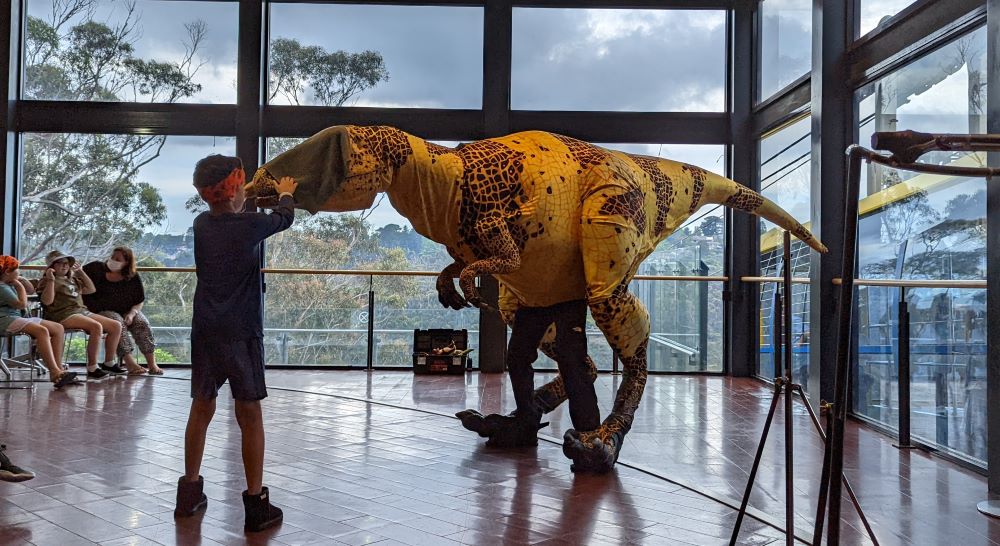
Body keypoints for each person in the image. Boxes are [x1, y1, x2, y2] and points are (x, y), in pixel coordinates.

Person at [175, 154, 296, 533]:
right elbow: (285, 217)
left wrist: (246, 200)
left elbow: (237, 215)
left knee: (201, 407)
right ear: (232, 190)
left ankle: (189, 494)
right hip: (242, 331)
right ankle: (256, 504)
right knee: (249, 416)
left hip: (206, 329)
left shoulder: (202, 223)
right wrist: (286, 193)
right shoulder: (250, 225)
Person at [36, 250, 121, 381]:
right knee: (95, 326)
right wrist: (51, 280)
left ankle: (109, 363)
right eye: (59, 263)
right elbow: (47, 301)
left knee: (116, 326)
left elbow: (91, 289)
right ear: (52, 266)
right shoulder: (47, 281)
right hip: (63, 315)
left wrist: (81, 272)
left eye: (66, 263)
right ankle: (92, 367)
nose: (64, 266)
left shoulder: (72, 280)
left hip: (81, 311)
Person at [0, 255, 79, 389]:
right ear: (8, 271)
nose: (19, 272)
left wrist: (22, 280)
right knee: (41, 331)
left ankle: (59, 369)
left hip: (16, 318)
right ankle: (54, 373)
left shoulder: (9, 283)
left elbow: (31, 290)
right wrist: (19, 286)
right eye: (17, 269)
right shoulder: (2, 287)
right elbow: (22, 304)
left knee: (58, 328)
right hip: (4, 320)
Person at [83, 246, 164, 375]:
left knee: (141, 323)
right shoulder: (95, 269)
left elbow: (139, 300)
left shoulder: (132, 277)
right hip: (101, 311)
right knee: (118, 322)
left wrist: (132, 314)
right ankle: (129, 362)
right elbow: (77, 275)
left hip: (127, 310)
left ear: (126, 262)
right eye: (112, 257)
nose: (113, 261)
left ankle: (152, 364)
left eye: (118, 259)